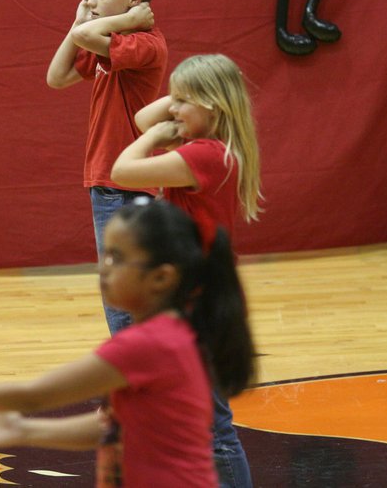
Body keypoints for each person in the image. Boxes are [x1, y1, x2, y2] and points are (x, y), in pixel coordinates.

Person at [0, 200, 256, 488]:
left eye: (117, 258)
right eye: (105, 254)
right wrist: (23, 432)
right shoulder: (173, 332)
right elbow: (113, 428)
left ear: (161, 278)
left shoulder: (147, 346)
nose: (103, 267)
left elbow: (33, 394)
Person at [111, 54, 262, 487]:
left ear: (213, 106)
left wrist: (161, 131)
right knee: (203, 423)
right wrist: (181, 97)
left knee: (214, 430)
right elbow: (143, 118)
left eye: (183, 101)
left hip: (202, 305)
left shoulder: (204, 156)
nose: (172, 109)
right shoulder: (213, 147)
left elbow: (123, 169)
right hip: (202, 298)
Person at [46, 0, 168, 336]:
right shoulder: (109, 45)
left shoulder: (144, 44)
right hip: (111, 182)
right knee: (125, 291)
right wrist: (86, 22)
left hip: (124, 185)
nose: (90, 2)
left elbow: (85, 35)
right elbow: (57, 77)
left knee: (121, 295)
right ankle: (141, 381)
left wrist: (122, 23)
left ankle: (134, 384)